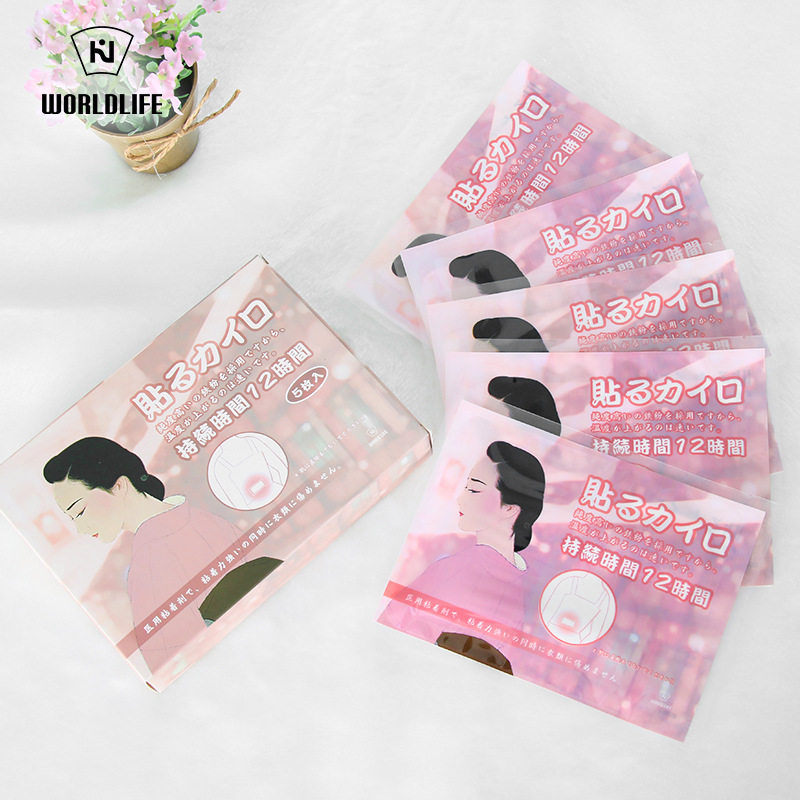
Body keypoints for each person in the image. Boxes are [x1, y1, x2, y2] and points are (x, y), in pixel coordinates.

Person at [44, 437, 281, 673]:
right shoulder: (206, 520)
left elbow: (168, 663)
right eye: (72, 518)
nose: (80, 528)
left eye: (80, 511)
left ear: (120, 486)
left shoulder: (148, 565)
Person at [380, 440, 546, 674]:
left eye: (474, 490)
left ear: (510, 509)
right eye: (466, 487)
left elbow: (391, 626)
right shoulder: (521, 586)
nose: (460, 498)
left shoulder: (458, 568)